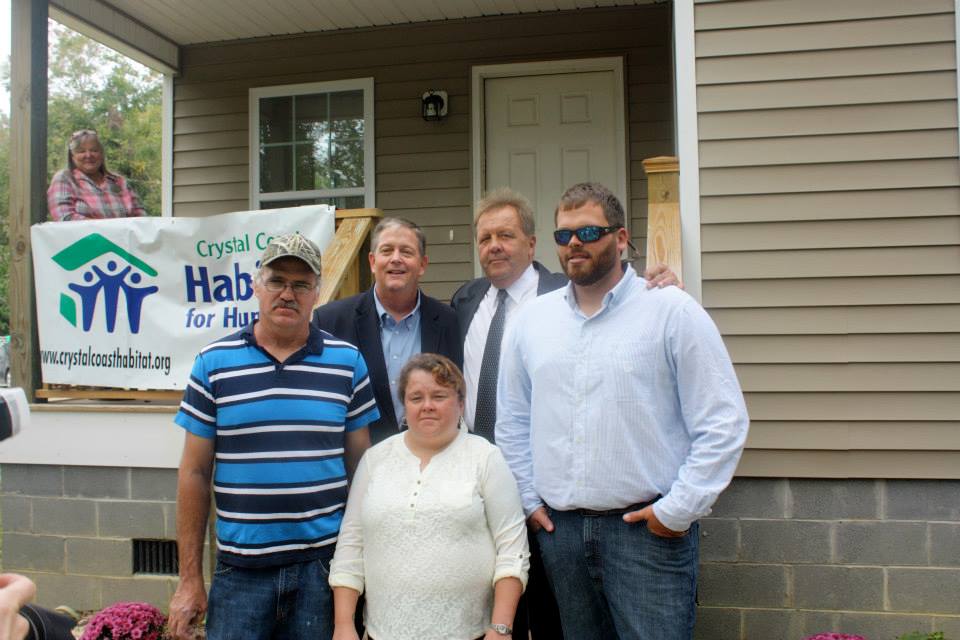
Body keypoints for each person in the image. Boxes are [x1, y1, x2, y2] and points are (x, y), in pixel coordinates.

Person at [496, 183, 749, 640]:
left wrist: (677, 510)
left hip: (647, 534)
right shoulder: (533, 321)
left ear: (620, 237)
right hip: (563, 535)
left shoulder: (670, 311)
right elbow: (512, 420)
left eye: (589, 231)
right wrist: (530, 500)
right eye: (564, 234)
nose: (574, 243)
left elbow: (723, 421)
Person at [450, 187, 682, 638]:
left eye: (506, 235)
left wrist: (664, 282)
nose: (494, 246)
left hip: (555, 493)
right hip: (482, 483)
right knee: (495, 606)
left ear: (533, 244)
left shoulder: (570, 292)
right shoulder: (465, 301)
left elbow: (625, 295)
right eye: (484, 238)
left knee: (558, 616)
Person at [168, 232, 379, 640]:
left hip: (323, 571)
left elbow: (362, 473)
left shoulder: (347, 363)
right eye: (277, 280)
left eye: (301, 284)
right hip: (240, 573)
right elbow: (193, 474)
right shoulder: (213, 364)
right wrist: (189, 578)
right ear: (255, 286)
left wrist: (360, 566)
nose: (288, 293)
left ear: (316, 292)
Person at [330, 353, 529, 640]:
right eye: (416, 398)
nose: (427, 406)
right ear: (404, 405)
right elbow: (350, 546)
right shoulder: (376, 460)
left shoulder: (485, 458)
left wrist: (501, 628)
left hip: (469, 633)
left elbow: (513, 549)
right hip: (383, 633)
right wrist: (344, 625)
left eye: (439, 396)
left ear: (460, 404)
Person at [313, 217, 462, 444]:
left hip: (432, 458)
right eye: (387, 250)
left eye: (406, 252)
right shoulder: (331, 321)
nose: (396, 259)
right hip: (361, 461)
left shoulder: (448, 321)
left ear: (422, 264)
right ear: (373, 262)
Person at [47, 129, 146, 221]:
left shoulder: (119, 181)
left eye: (94, 150)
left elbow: (141, 218)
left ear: (102, 154)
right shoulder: (65, 178)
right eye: (81, 151)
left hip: (122, 239)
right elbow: (64, 216)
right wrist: (105, 230)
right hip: (84, 240)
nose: (89, 155)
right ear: (72, 156)